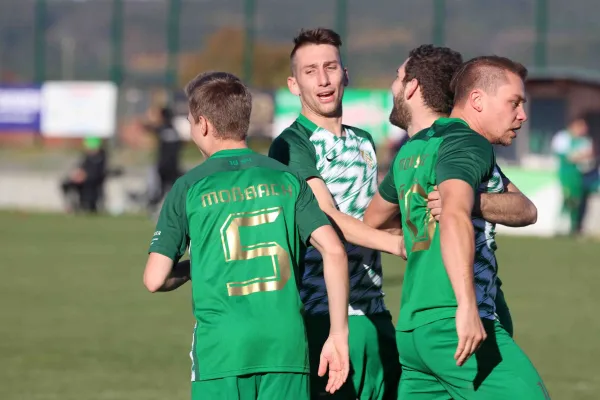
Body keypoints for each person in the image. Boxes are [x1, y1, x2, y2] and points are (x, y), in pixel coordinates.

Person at [143, 71, 350, 400]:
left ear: (204, 125)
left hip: (222, 349)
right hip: (286, 347)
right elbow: (335, 251)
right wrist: (338, 335)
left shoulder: (189, 186)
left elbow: (155, 278)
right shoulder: (287, 179)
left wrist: (199, 264)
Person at [364, 55, 550, 399]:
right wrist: (466, 305)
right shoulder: (468, 142)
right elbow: (453, 214)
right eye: (514, 103)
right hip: (455, 321)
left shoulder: (413, 150)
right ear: (477, 101)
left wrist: (469, 205)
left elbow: (373, 219)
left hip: (413, 329)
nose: (521, 115)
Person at [268, 28, 402, 399]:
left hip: (374, 311)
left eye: (330, 67)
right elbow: (327, 217)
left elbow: (371, 214)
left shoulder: (363, 141)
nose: (323, 79)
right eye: (310, 71)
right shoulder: (291, 144)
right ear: (294, 85)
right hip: (321, 317)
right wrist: (400, 246)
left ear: (346, 73)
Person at [551, 115, 595, 236]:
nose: (585, 129)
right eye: (582, 126)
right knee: (567, 199)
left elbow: (587, 157)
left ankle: (574, 228)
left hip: (579, 176)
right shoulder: (562, 137)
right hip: (565, 175)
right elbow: (568, 157)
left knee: (577, 201)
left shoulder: (585, 141)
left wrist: (578, 157)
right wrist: (578, 156)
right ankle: (560, 227)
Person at [142, 105, 183, 207]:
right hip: (173, 165)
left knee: (159, 188)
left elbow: (147, 127)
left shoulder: (162, 129)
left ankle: (155, 205)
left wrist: (147, 119)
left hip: (162, 165)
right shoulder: (175, 131)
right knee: (172, 188)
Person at [60, 136, 107, 213]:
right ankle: (72, 204)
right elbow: (80, 167)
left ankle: (87, 205)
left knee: (88, 187)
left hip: (93, 180)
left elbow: (96, 172)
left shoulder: (100, 157)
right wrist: (76, 175)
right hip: (83, 179)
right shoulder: (86, 157)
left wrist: (84, 176)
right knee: (66, 184)